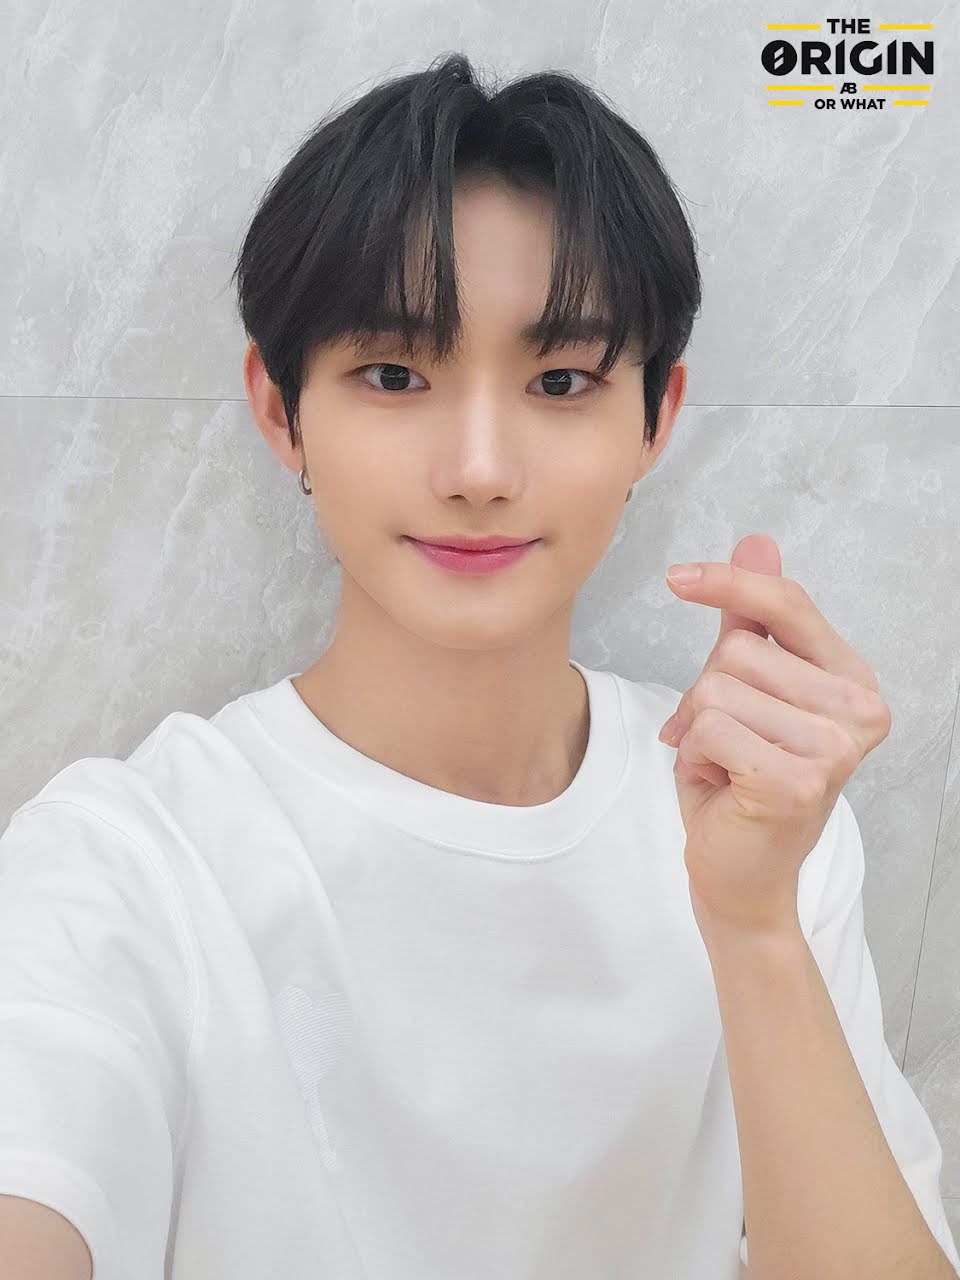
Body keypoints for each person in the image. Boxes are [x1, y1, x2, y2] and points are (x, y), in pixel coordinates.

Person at [1, 51, 956, 1280]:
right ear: (283, 411)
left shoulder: (766, 820)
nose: (480, 469)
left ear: (655, 420)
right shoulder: (126, 859)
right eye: (394, 375)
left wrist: (754, 924)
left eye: (561, 380)